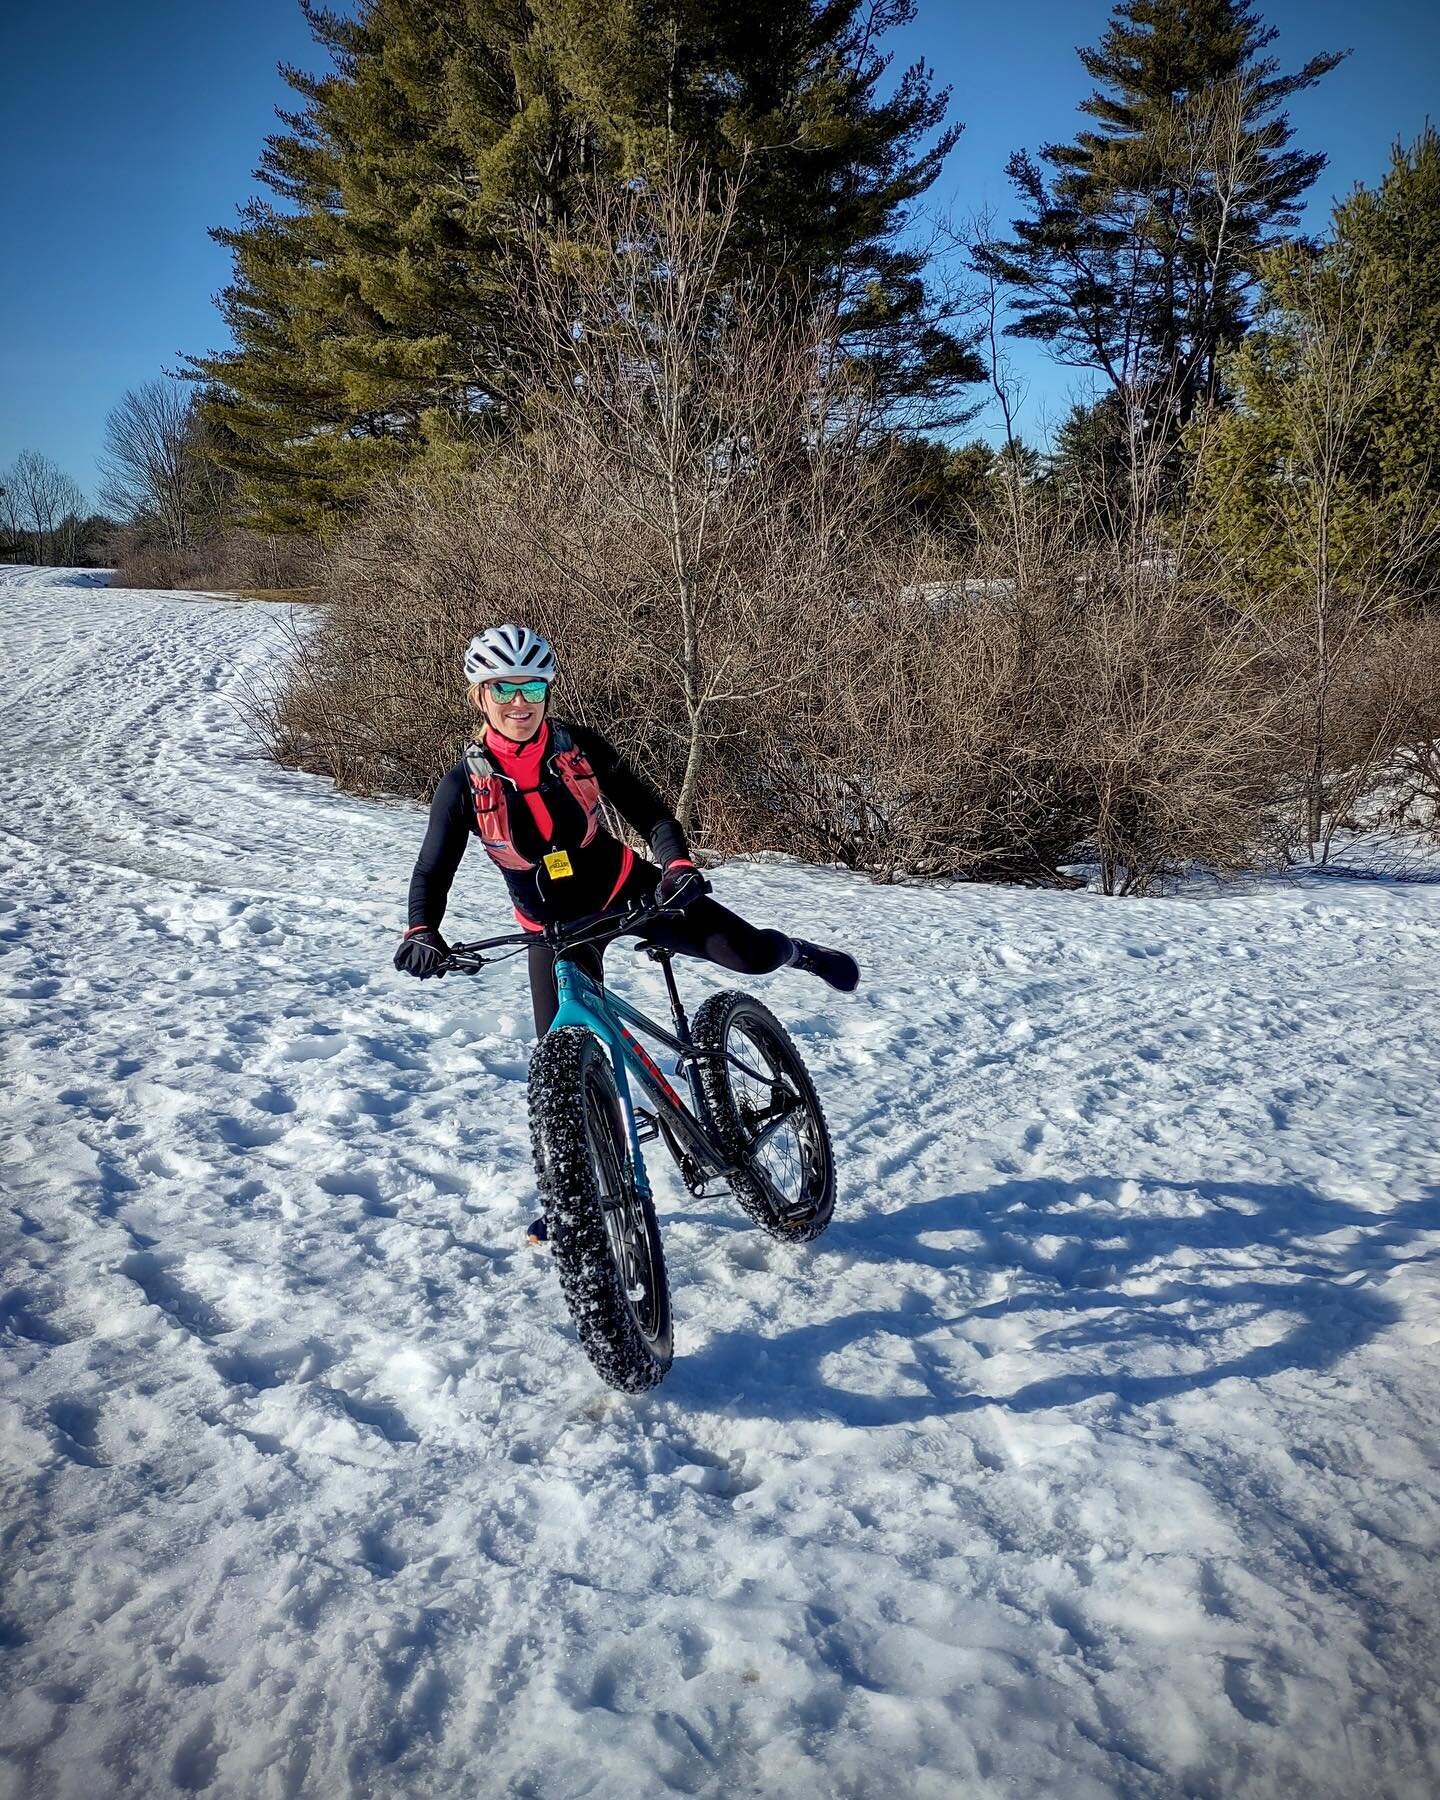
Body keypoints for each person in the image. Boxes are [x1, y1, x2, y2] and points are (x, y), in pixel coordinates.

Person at [394, 623, 860, 1037]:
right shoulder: (462, 786)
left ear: (547, 694)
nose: (520, 703)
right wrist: (421, 929)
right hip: (553, 929)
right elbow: (433, 871)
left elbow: (650, 813)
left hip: (631, 892)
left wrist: (676, 866)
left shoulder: (577, 747)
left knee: (751, 956)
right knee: (564, 1052)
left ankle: (800, 953)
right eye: (504, 690)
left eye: (533, 689)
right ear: (480, 695)